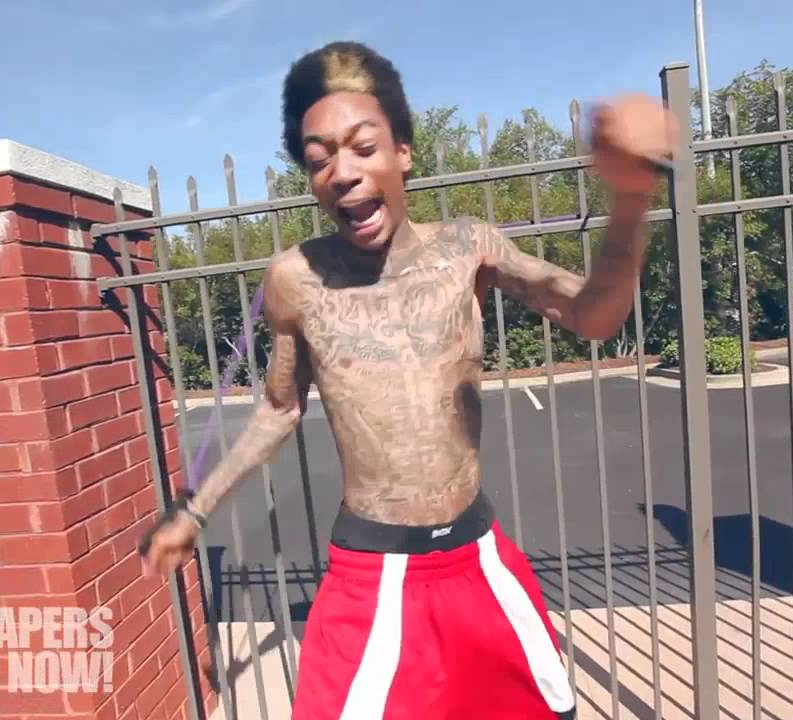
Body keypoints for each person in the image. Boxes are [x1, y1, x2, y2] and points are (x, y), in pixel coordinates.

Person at [139, 40, 676, 720]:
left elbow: (592, 315)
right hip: (371, 573)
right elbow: (278, 409)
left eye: (363, 147)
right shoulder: (295, 279)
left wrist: (631, 199)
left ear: (403, 153)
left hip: (478, 561)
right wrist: (195, 509)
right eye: (319, 160)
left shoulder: (468, 246)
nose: (342, 172)